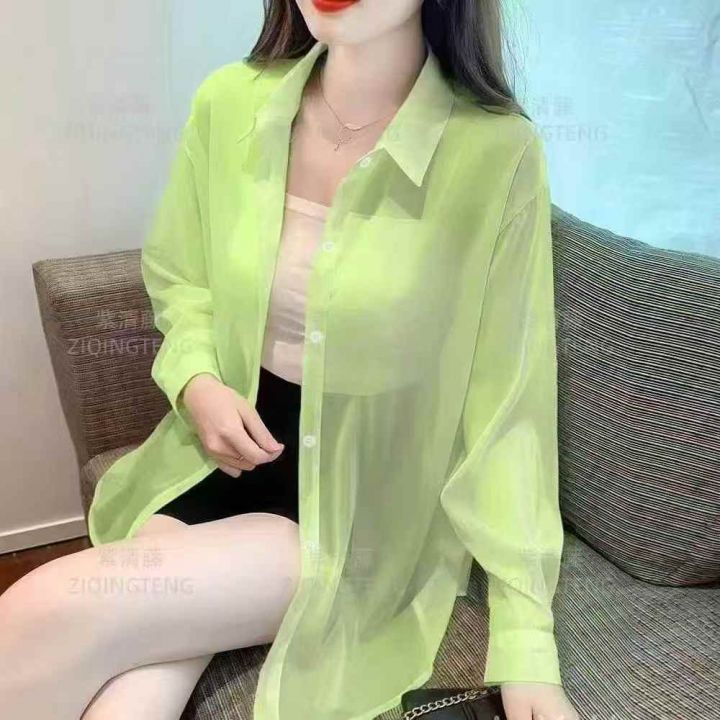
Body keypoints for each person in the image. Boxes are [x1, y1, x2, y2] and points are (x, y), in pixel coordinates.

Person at [0, 1, 580, 719]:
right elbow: (181, 276)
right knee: (134, 693)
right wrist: (196, 380)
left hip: (356, 507)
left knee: (42, 608)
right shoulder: (230, 102)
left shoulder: (495, 152)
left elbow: (509, 403)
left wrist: (526, 646)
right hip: (216, 458)